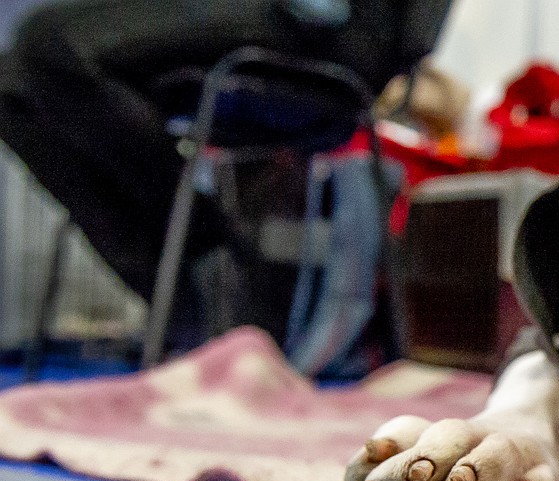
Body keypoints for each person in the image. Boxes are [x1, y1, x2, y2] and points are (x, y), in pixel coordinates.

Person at [0, 0, 445, 316]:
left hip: (331, 23)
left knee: (50, 42)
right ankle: (188, 299)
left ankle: (207, 246)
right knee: (11, 88)